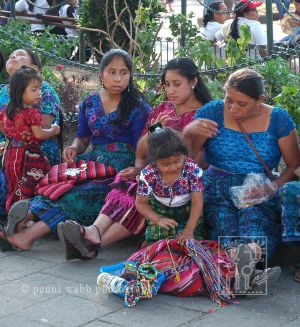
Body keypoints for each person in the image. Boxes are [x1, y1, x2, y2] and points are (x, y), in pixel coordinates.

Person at [56, 57, 212, 260]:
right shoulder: (163, 109)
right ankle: (94, 233)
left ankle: (94, 241)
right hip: (155, 171)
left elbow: (199, 161)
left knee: (141, 190)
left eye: (177, 84)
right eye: (167, 84)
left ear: (194, 82)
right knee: (128, 180)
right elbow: (141, 151)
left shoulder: (204, 114)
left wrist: (186, 138)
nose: (171, 90)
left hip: (182, 178)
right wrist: (154, 132)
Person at [0, 48, 151, 252]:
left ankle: (27, 235)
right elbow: (82, 138)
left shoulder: (138, 106)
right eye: (112, 72)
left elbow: (143, 145)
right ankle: (20, 222)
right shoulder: (90, 102)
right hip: (93, 160)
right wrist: (73, 147)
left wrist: (138, 167)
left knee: (78, 193)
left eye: (124, 73)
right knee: (58, 185)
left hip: (121, 166)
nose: (118, 78)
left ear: (130, 75)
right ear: (101, 73)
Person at [183, 68, 300, 285]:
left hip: (258, 188)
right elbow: (190, 159)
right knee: (224, 221)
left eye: (242, 104)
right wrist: (190, 132)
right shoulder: (213, 112)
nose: (233, 108)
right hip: (217, 187)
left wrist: (272, 188)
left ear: (260, 100)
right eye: (229, 100)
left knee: (255, 220)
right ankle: (250, 275)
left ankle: (243, 269)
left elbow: (293, 164)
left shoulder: (278, 119)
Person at [0, 48, 61, 219]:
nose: (13, 55)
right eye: (12, 54)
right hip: (9, 148)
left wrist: (11, 140)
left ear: (34, 68)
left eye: (20, 54)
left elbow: (41, 128)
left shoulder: (43, 91)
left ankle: (20, 216)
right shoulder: (2, 91)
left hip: (35, 152)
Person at [135, 127, 205, 246]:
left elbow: (197, 202)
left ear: (184, 155)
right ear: (154, 161)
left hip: (189, 209)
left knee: (190, 242)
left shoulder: (192, 169)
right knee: (159, 242)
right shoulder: (149, 174)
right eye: (165, 164)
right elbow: (141, 203)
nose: (172, 168)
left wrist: (189, 228)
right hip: (159, 209)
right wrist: (158, 219)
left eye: (177, 161)